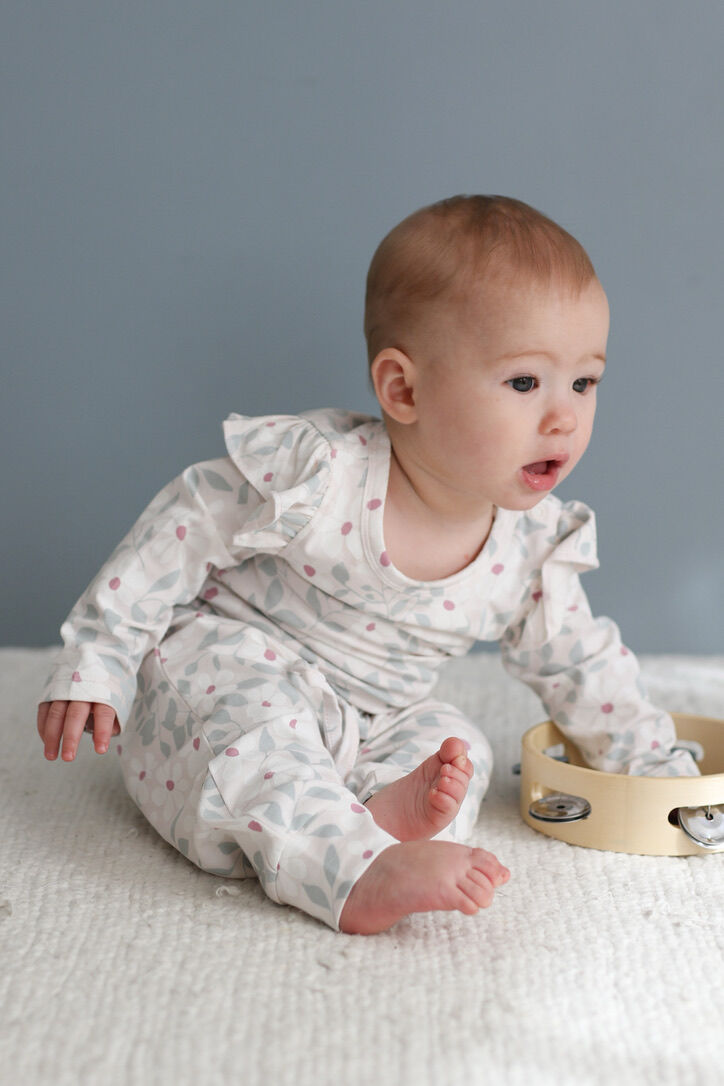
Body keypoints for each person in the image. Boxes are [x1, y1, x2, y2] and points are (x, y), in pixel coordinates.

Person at [37, 195, 697, 934]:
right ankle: (352, 871)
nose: (565, 417)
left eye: (584, 382)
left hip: (373, 715)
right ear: (403, 389)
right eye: (524, 383)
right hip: (230, 665)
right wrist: (100, 656)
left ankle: (378, 821)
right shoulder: (324, 476)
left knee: (456, 747)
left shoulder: (530, 545)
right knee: (258, 732)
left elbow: (583, 665)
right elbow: (179, 531)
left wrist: (654, 766)